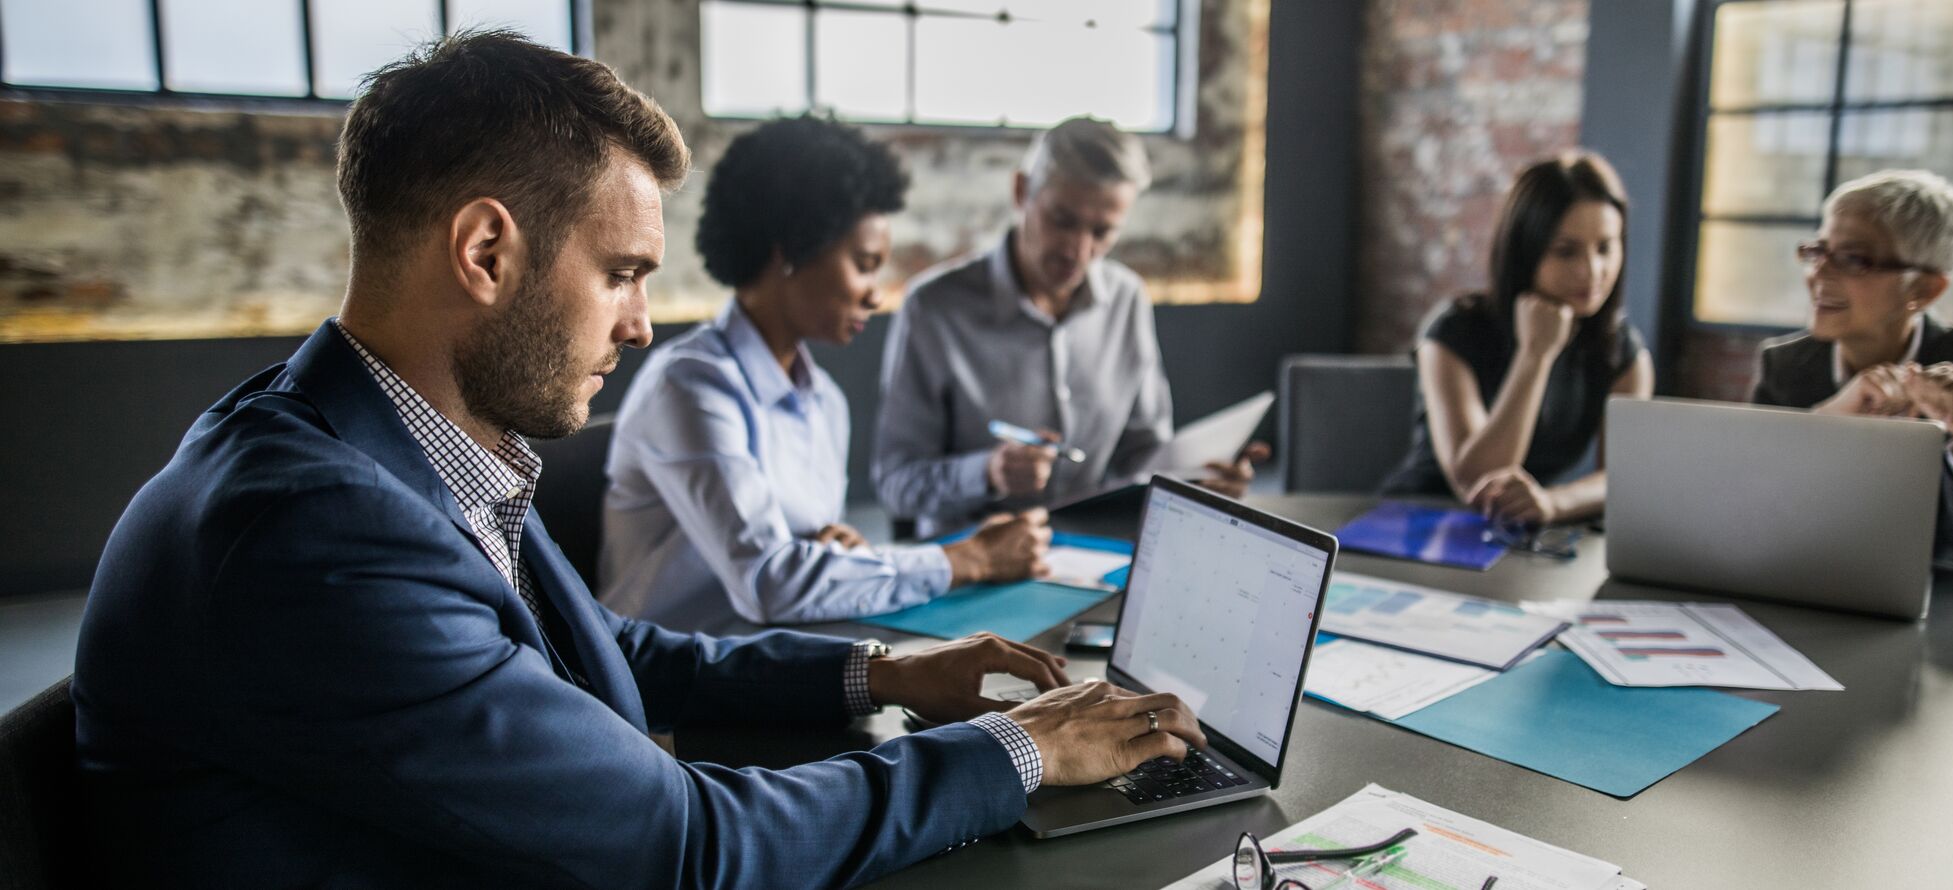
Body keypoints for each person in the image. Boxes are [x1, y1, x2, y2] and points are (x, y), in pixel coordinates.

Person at [70, 32, 1202, 889]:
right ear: (484, 251)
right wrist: (1011, 749)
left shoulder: (376, 438)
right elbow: (683, 843)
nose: (640, 324)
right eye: (620, 271)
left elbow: (602, 644)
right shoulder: (311, 535)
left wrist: (885, 672)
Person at [597, 116, 1053, 633]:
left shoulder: (825, 403)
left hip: (778, 661)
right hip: (665, 694)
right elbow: (771, 581)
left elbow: (801, 564)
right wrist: (971, 559)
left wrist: (843, 555)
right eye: (863, 264)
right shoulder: (688, 388)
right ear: (790, 250)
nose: (875, 294)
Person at [872, 116, 1264, 537]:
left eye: (1102, 231)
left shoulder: (1126, 299)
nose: (1079, 250)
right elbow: (895, 482)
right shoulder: (933, 308)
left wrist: (1198, 478)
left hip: (1094, 555)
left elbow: (1142, 456)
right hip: (972, 564)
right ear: (1021, 191)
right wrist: (987, 473)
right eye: (1062, 220)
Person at [1752, 169, 1953, 580]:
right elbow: (1749, 509)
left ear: (1924, 290)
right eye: (1817, 252)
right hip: (1838, 589)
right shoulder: (1785, 365)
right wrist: (1825, 424)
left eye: (1852, 260)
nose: (1818, 276)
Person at [1380, 152, 1655, 526]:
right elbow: (1478, 482)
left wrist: (1552, 503)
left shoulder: (1622, 350)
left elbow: (1623, 479)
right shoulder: (1452, 331)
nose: (1592, 271)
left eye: (1605, 247)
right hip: (1422, 521)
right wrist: (1535, 355)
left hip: (1520, 531)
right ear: (1525, 252)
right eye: (1566, 251)